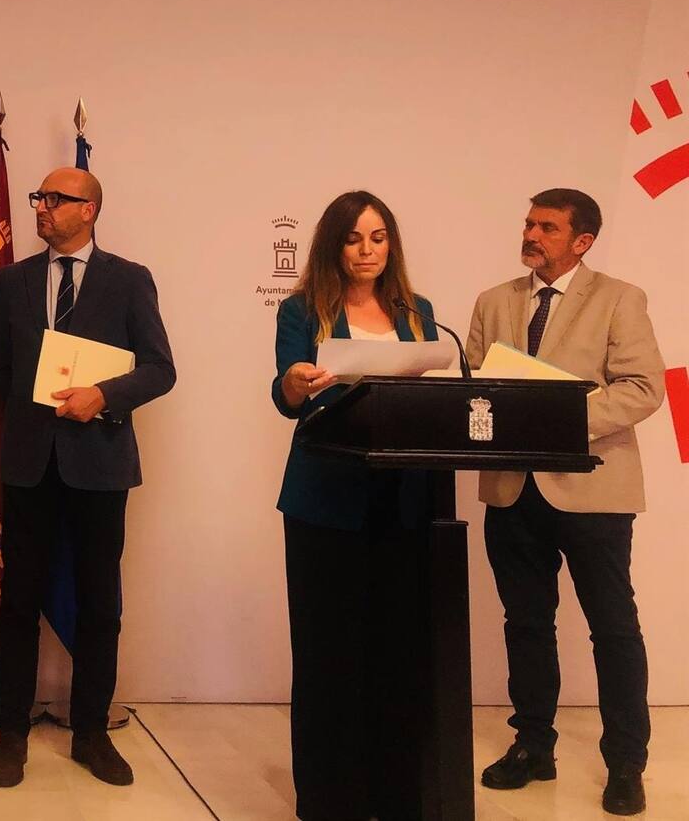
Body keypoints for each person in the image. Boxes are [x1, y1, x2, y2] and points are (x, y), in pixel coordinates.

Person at [467, 188, 665, 817]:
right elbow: (475, 387)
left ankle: (626, 763)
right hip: (511, 489)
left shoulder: (619, 298)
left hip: (593, 488)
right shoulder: (492, 300)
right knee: (526, 623)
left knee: (613, 627)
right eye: (529, 224)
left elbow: (643, 387)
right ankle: (533, 745)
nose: (532, 235)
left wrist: (557, 421)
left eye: (547, 227)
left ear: (583, 242)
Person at [0, 166, 175, 788]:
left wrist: (103, 396)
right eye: (38, 197)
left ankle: (91, 732)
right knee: (18, 601)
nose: (41, 207)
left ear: (88, 210)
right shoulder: (12, 281)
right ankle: (11, 733)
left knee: (99, 603)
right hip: (29, 462)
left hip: (100, 463)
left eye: (55, 199)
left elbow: (160, 369)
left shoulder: (129, 280)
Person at [271, 190, 440, 821]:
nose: (366, 251)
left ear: (391, 244)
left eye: (378, 237)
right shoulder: (302, 309)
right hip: (325, 501)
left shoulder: (418, 311)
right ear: (332, 245)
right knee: (328, 651)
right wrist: (293, 382)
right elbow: (287, 394)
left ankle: (395, 793)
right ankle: (330, 798)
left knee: (398, 648)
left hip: (405, 500)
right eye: (352, 239)